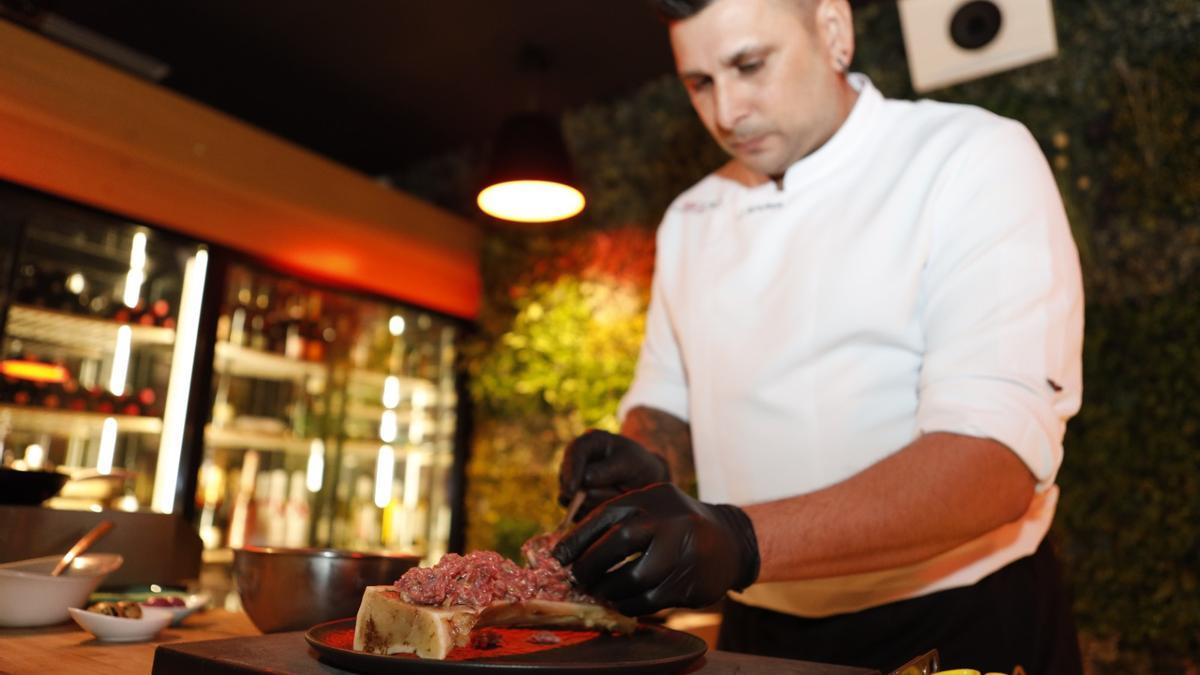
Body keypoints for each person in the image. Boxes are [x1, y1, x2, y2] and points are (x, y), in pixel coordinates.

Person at [550, 0, 1086, 672]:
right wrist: (639, 473)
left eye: (750, 65)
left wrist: (739, 538)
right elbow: (668, 401)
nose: (727, 112)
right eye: (701, 83)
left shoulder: (971, 157)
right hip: (757, 620)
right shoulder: (690, 217)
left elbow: (993, 463)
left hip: (958, 615)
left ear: (833, 31)